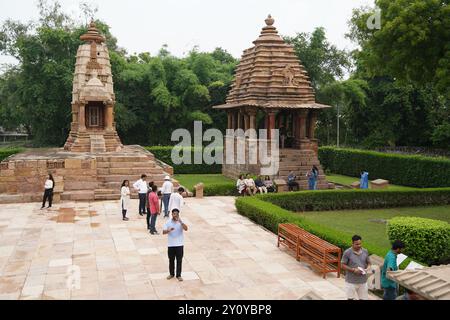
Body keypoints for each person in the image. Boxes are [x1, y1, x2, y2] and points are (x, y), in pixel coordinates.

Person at [341, 235, 371, 300]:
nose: (359, 245)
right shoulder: (347, 252)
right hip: (350, 281)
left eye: (360, 243)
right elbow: (342, 265)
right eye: (357, 244)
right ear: (352, 244)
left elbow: (369, 263)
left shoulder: (365, 251)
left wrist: (367, 269)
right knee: (350, 299)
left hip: (363, 281)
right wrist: (353, 270)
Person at [163, 209, 188, 282]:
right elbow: (163, 232)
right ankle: (171, 274)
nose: (175, 215)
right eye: (174, 214)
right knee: (171, 260)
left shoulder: (181, 222)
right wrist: (168, 230)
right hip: (171, 245)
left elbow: (186, 229)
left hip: (179, 245)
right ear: (172, 214)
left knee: (179, 260)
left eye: (176, 214)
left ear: (178, 214)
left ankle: (178, 275)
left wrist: (181, 222)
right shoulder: (168, 222)